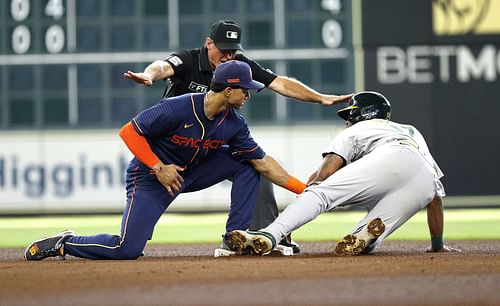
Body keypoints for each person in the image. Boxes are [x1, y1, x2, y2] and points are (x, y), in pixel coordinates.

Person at [24, 61, 307, 261]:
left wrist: (308, 193)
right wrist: (158, 167)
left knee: (248, 164)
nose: (249, 94)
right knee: (127, 249)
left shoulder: (234, 123)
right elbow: (129, 132)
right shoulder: (179, 107)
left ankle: (235, 236)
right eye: (245, 89)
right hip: (152, 177)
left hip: (194, 171)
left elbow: (265, 164)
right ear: (228, 90)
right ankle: (65, 243)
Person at [124, 20, 353, 254]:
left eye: (233, 50)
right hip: (170, 152)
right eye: (224, 49)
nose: (229, 55)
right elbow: (163, 67)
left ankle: (260, 235)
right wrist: (148, 74)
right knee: (131, 243)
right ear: (208, 43)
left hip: (206, 148)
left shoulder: (238, 68)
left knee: (255, 164)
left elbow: (280, 83)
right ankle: (135, 233)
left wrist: (321, 98)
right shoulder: (189, 60)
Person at [226, 91, 461, 256]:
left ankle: (270, 234)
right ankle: (365, 236)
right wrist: (437, 244)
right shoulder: (411, 131)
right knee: (368, 230)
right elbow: (435, 198)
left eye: (351, 114)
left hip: (389, 158)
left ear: (365, 114)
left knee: (319, 194)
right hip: (423, 181)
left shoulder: (358, 130)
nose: (348, 120)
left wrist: (291, 223)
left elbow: (324, 175)